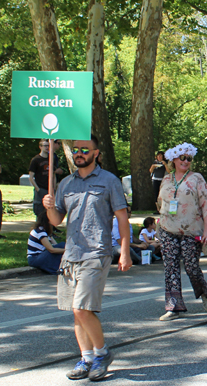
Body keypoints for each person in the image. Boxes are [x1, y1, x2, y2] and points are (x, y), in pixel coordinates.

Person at [42, 135, 132, 381]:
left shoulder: (109, 181)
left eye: (85, 149)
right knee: (76, 312)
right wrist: (48, 204)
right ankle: (87, 357)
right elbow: (55, 220)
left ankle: (102, 354)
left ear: (96, 153)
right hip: (71, 254)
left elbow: (122, 217)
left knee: (81, 308)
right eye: (76, 150)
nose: (79, 153)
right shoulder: (66, 184)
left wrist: (124, 250)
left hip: (97, 252)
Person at [157, 142, 207, 321]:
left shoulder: (197, 178)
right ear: (173, 159)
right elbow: (160, 202)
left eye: (189, 158)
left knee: (191, 266)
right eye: (182, 158)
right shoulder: (166, 179)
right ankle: (174, 306)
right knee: (170, 267)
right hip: (167, 229)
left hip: (191, 230)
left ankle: (203, 292)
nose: (186, 161)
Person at [29, 140, 51, 216]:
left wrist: (54, 187)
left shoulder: (51, 159)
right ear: (40, 147)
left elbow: (53, 174)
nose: (47, 147)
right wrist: (37, 189)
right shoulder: (36, 160)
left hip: (50, 189)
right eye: (45, 146)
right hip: (40, 188)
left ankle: (49, 227)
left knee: (49, 211)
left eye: (48, 145)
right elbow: (31, 176)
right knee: (40, 211)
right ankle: (39, 227)